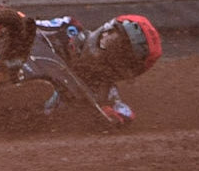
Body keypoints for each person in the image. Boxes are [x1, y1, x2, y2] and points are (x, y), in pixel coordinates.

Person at [30, 13, 162, 125]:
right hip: (19, 65)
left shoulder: (104, 94)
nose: (106, 43)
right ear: (107, 29)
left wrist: (107, 114)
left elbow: (125, 115)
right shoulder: (68, 28)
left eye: (120, 53)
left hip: (30, 118)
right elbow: (28, 25)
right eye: (112, 39)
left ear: (125, 69)